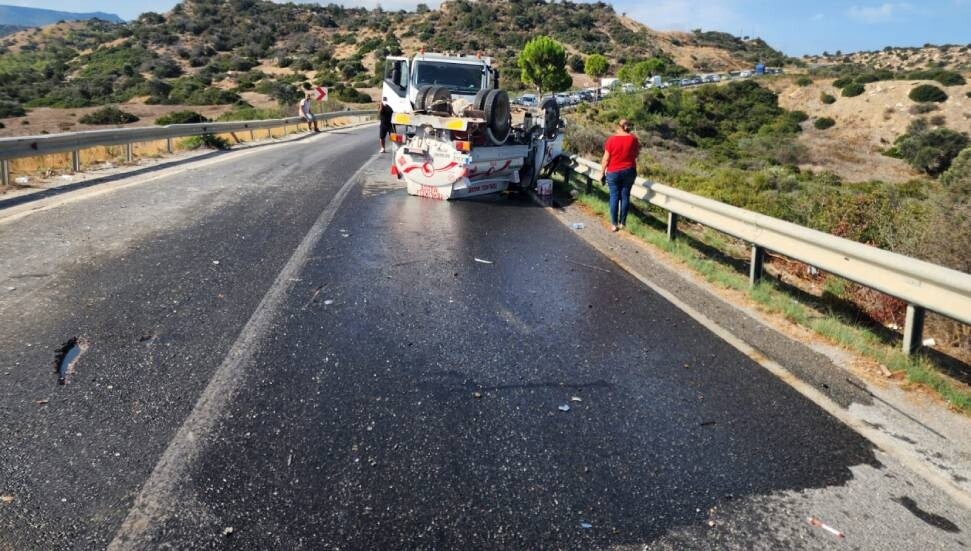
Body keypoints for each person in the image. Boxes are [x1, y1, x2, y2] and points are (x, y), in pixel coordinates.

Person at [600, 118, 640, 232]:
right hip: (629, 170)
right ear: (627, 127)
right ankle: (623, 223)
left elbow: (606, 159)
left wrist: (602, 173)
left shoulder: (611, 140)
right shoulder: (633, 139)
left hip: (613, 172)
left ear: (618, 127)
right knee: (625, 196)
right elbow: (636, 154)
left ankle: (614, 224)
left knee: (614, 196)